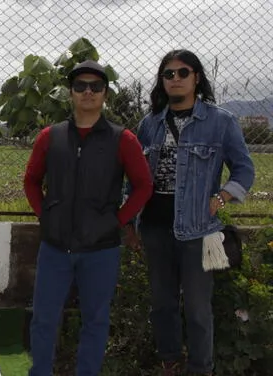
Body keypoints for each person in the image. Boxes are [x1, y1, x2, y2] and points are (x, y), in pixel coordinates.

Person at [24, 60, 153, 376]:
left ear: (105, 94)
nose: (88, 92)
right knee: (44, 319)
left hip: (101, 250)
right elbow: (30, 181)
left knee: (95, 320)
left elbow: (144, 186)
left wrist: (117, 221)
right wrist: (47, 216)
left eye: (95, 86)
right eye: (80, 86)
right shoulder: (49, 137)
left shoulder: (122, 140)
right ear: (70, 92)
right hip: (55, 248)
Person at [133, 50, 254, 376]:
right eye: (168, 74)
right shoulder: (150, 124)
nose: (175, 79)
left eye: (182, 72)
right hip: (156, 227)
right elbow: (134, 175)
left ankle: (201, 369)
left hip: (199, 229)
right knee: (163, 304)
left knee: (198, 309)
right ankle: (170, 363)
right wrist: (132, 219)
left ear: (197, 77)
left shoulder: (220, 121)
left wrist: (224, 196)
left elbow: (244, 169)